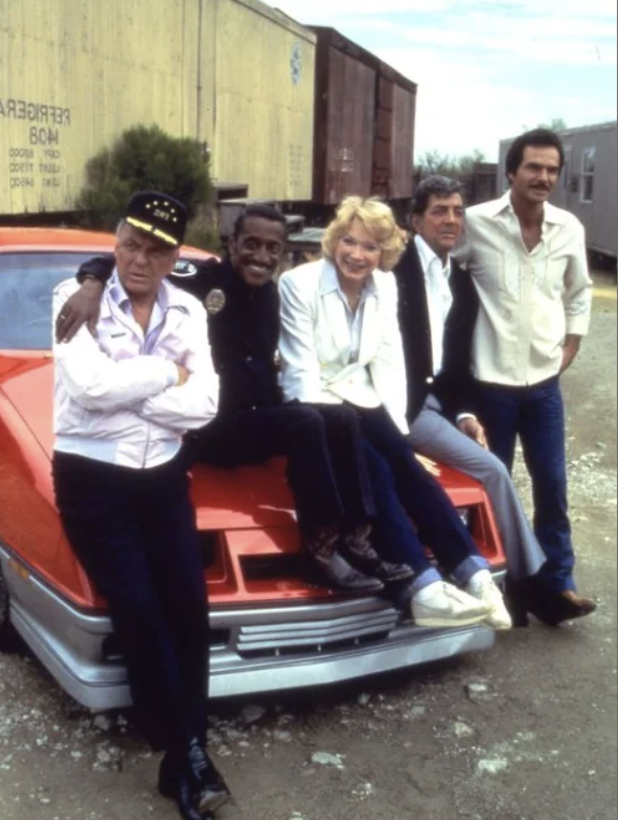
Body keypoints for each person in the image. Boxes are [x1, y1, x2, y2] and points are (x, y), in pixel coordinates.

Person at [56, 203, 412, 594]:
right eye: (251, 244)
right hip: (209, 425)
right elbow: (131, 259)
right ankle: (319, 552)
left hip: (253, 419)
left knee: (341, 416)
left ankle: (355, 539)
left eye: (272, 249)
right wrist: (90, 284)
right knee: (306, 422)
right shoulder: (202, 279)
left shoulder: (272, 295)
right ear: (231, 243)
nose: (261, 257)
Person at [52, 191, 230, 820]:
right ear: (116, 238)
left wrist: (142, 385)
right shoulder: (70, 301)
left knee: (189, 603)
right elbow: (91, 389)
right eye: (130, 244)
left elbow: (206, 405)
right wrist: (167, 374)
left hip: (163, 478)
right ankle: (188, 755)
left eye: (156, 249)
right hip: (94, 480)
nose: (140, 259)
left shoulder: (186, 309)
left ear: (174, 255)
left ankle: (188, 751)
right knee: (140, 608)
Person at [277, 196, 511, 630]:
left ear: (384, 254)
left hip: (361, 393)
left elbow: (387, 362)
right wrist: (335, 442)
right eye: (349, 241)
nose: (357, 254)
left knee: (406, 465)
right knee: (375, 472)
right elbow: (300, 369)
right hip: (315, 401)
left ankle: (475, 576)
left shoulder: (384, 285)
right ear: (333, 242)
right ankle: (424, 587)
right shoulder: (298, 283)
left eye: (370, 247)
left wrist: (399, 435)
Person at [393, 174, 561, 624]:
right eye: (439, 211)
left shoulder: (462, 282)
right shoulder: (391, 271)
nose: (451, 220)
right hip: (394, 410)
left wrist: (465, 411)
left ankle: (518, 582)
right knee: (488, 470)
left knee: (489, 468)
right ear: (415, 220)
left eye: (457, 211)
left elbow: (460, 365)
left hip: (435, 406)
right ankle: (530, 585)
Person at [455, 128, 597, 626]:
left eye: (552, 170)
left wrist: (573, 340)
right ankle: (502, 587)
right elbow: (441, 276)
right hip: (488, 385)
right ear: (511, 171)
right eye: (534, 167)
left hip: (542, 387)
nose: (544, 178)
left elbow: (579, 291)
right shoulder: (475, 223)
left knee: (552, 486)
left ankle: (557, 587)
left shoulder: (568, 228)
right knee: (492, 489)